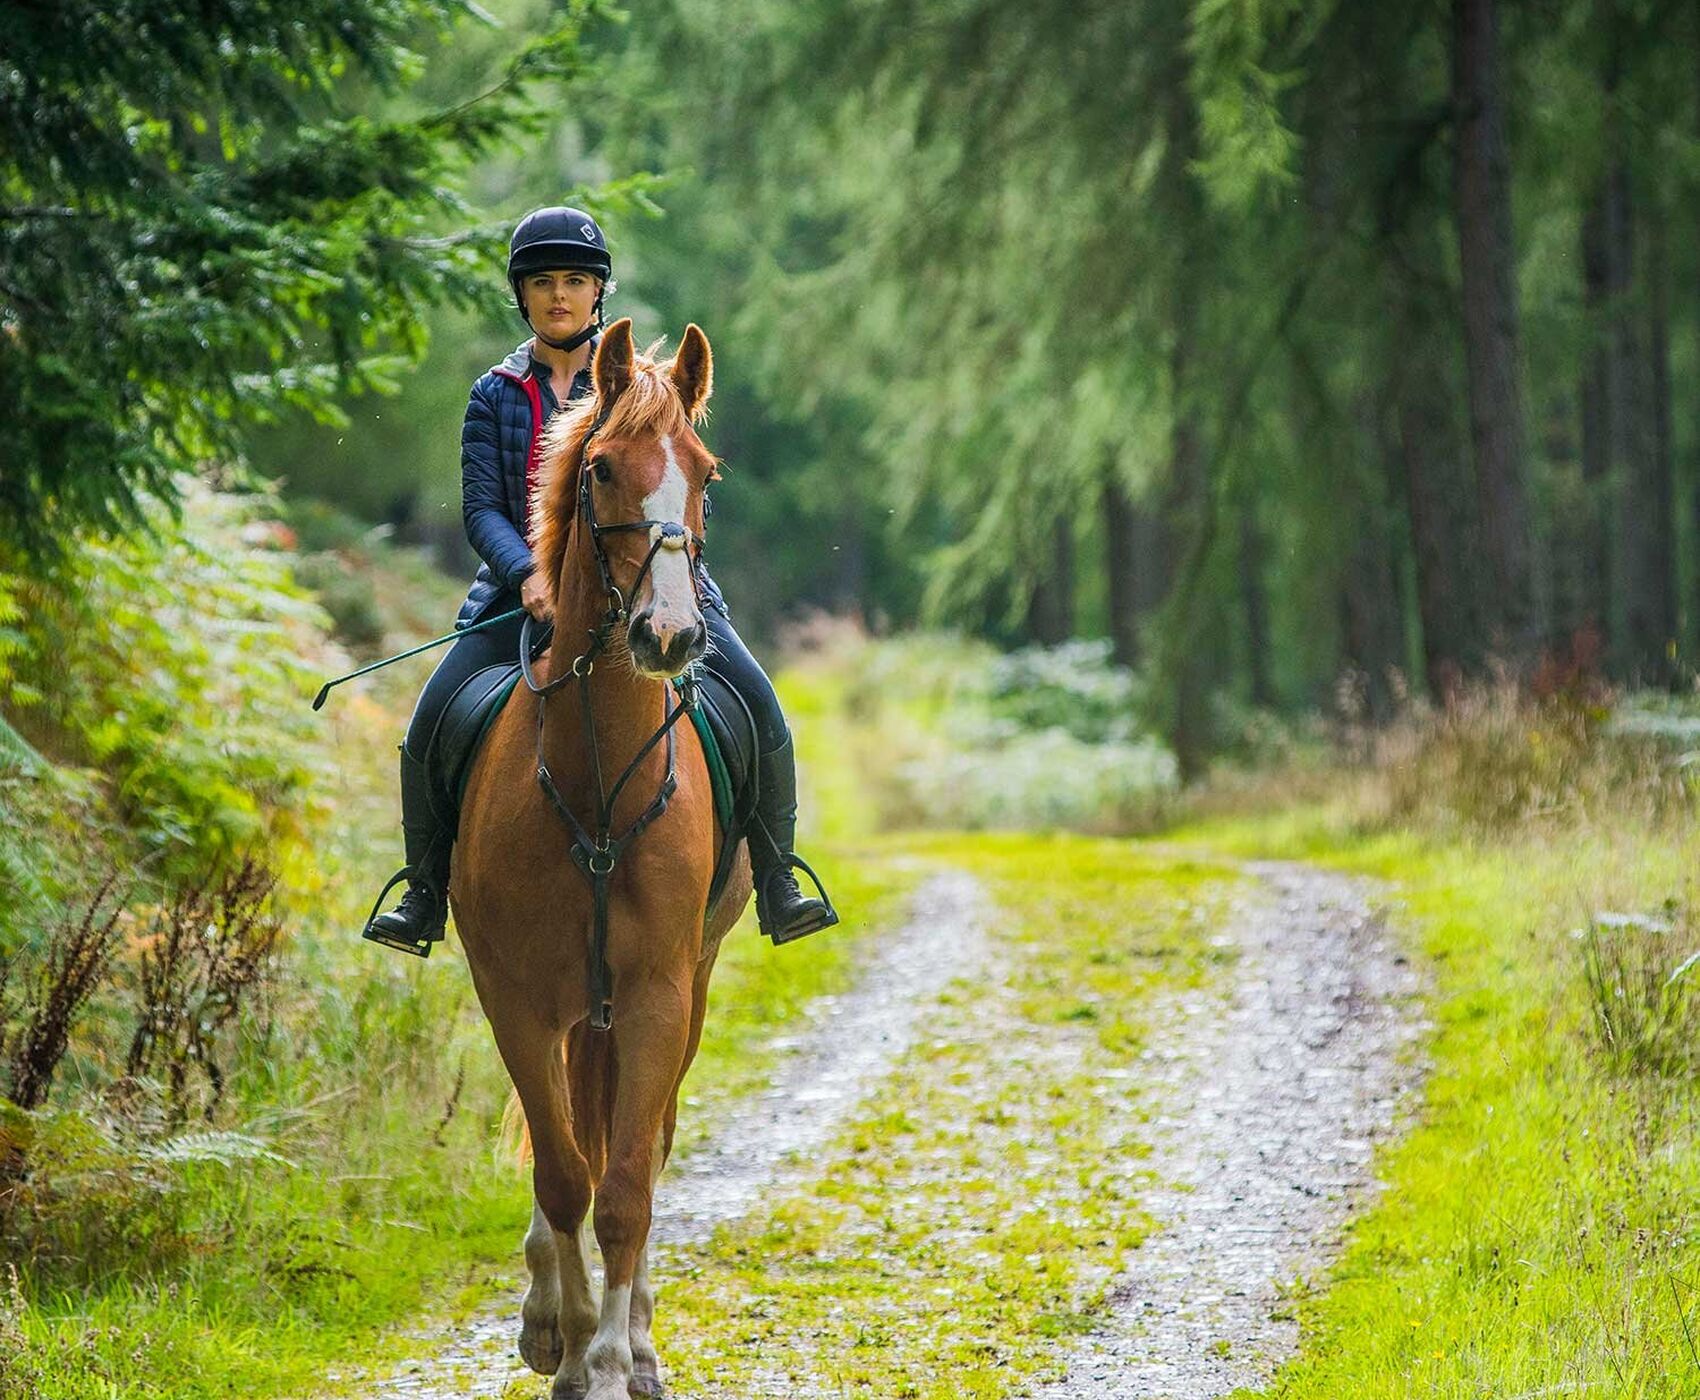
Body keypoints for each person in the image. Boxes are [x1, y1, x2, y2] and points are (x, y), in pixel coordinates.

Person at [363, 206, 838, 956]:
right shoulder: (494, 395)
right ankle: (423, 892)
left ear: (599, 294)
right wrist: (526, 576)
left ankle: (779, 878)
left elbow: (675, 488)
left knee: (760, 705)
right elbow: (483, 510)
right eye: (545, 282)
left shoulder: (639, 390)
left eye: (576, 281)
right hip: (519, 597)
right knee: (431, 721)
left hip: (652, 582)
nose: (560, 295)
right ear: (523, 295)